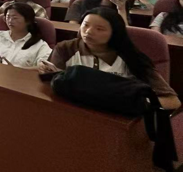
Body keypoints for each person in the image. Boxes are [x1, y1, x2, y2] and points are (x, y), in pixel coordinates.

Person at [41, 7, 180, 111]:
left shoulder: (131, 57)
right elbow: (50, 84)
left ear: (115, 33)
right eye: (85, 25)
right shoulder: (66, 48)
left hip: (119, 118)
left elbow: (172, 101)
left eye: (100, 29)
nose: (88, 32)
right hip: (74, 112)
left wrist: (136, 103)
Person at [0, 3, 51, 68]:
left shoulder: (40, 45)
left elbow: (44, 67)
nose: (10, 21)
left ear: (28, 21)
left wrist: (15, 70)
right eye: (8, 17)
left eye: (15, 18)